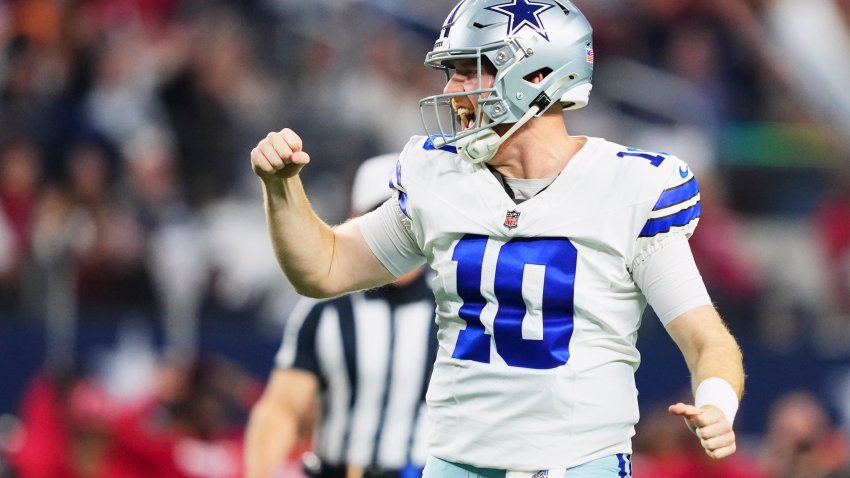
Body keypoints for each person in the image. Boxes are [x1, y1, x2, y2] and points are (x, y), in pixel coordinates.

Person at [249, 1, 745, 477]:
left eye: (470, 69)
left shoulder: (628, 188)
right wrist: (281, 189)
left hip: (577, 464)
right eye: (452, 71)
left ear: (536, 75)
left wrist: (718, 404)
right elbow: (324, 268)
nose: (453, 88)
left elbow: (708, 342)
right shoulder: (439, 175)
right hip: (453, 464)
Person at [244, 154, 437, 478]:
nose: (397, 235)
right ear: (355, 221)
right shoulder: (327, 309)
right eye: (381, 219)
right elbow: (283, 408)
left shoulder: (453, 305)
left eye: (407, 217)